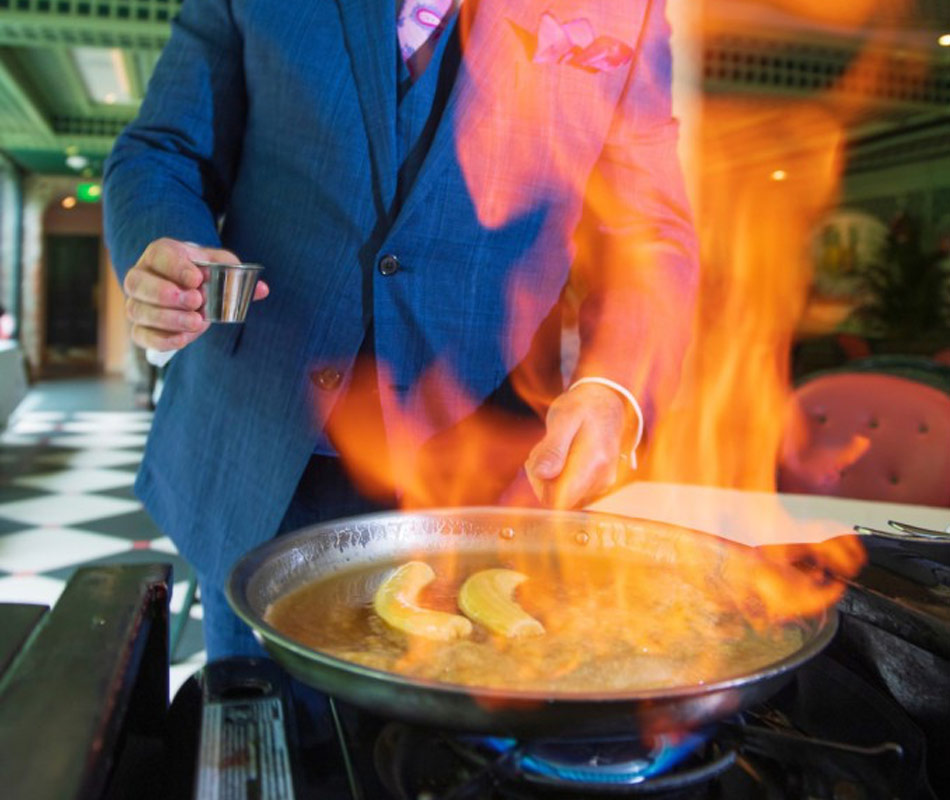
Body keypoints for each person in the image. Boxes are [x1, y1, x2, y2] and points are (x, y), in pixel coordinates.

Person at [104, 0, 699, 660]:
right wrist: (164, 245)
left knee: (449, 750)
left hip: (483, 478)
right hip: (260, 454)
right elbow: (163, 151)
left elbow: (649, 234)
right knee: (264, 737)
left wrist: (615, 385)